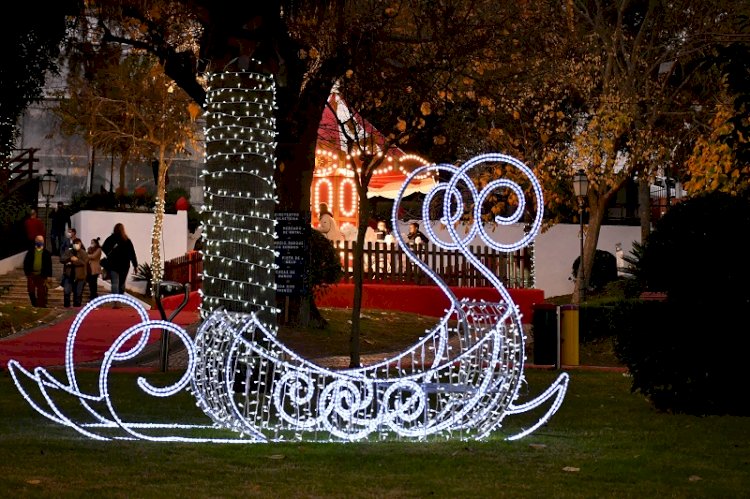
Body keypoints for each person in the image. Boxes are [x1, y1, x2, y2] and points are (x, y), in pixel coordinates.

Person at [102, 222, 139, 299]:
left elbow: (103, 247)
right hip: (124, 265)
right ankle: (121, 299)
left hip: (113, 264)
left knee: (114, 283)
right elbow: (132, 253)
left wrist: (109, 254)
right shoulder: (127, 240)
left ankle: (115, 300)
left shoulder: (110, 239)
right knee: (122, 283)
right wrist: (135, 265)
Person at [23, 235, 53, 308]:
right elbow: (26, 263)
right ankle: (34, 304)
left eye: (41, 240)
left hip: (42, 275)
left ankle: (41, 306)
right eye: (38, 240)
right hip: (31, 275)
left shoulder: (46, 253)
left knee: (42, 292)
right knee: (31, 291)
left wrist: (49, 276)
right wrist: (27, 273)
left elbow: (49, 265)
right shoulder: (30, 252)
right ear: (35, 241)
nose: (40, 242)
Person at [60, 237, 89, 307]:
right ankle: (66, 307)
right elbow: (62, 259)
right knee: (67, 292)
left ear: (80, 244)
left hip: (80, 276)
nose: (76, 245)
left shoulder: (83, 253)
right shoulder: (69, 251)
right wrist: (69, 259)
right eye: (75, 244)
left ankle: (76, 308)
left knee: (78, 294)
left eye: (78, 244)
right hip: (69, 275)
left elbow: (83, 262)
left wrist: (74, 261)